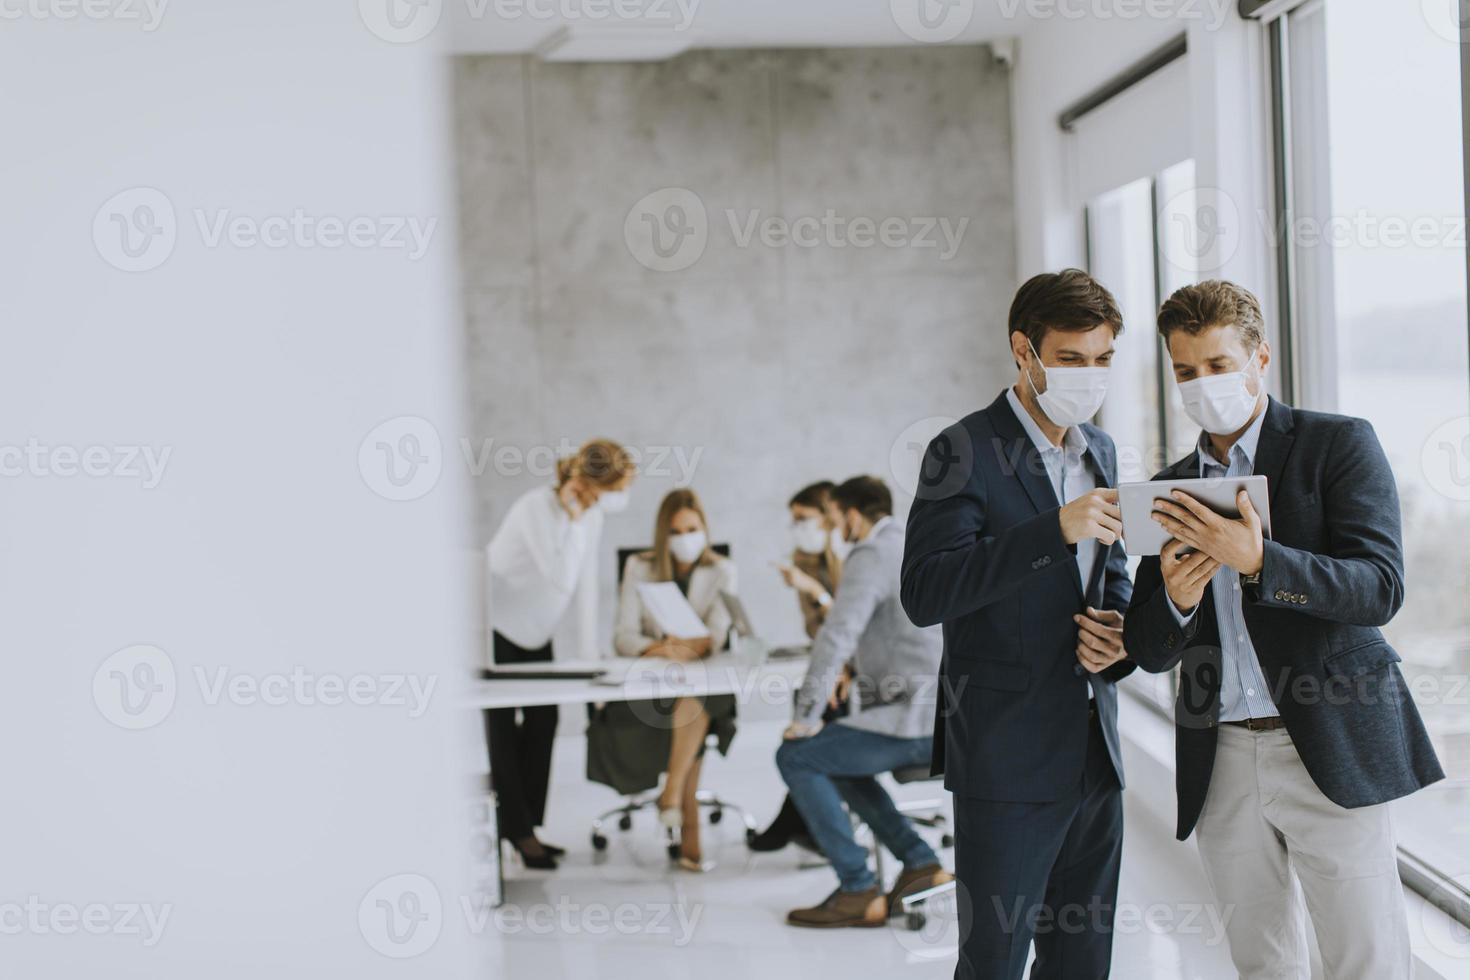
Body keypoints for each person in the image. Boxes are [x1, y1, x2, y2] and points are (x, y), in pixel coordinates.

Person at [1122, 280, 1444, 980]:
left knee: (1366, 961)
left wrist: (1261, 560)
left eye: (1216, 365)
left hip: (1328, 743)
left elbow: (1379, 588)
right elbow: (1147, 648)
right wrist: (1175, 600)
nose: (1201, 384)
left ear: (1259, 358)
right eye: (1185, 372)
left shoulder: (1337, 444)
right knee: (1260, 963)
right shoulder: (1168, 489)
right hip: (1223, 758)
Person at [900, 269, 1135, 979]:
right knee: (994, 963)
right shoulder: (961, 449)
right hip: (1005, 758)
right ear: (1024, 351)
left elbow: (1111, 573)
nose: (1088, 375)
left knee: (1082, 963)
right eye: (1070, 358)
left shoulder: (1102, 450)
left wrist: (1119, 632)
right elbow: (926, 591)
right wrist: (1050, 531)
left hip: (1096, 754)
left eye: (1102, 360)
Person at [778, 476, 951, 928]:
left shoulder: (870, 554)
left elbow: (836, 635)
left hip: (917, 719)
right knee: (834, 759)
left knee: (796, 755)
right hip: (946, 713)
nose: (835, 530)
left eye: (834, 518)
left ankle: (857, 887)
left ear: (851, 515)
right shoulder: (912, 543)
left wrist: (804, 716)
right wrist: (852, 671)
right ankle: (919, 862)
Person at [484, 438, 636, 870]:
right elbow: (558, 575)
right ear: (590, 482)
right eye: (614, 487)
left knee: (544, 719)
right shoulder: (537, 507)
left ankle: (527, 827)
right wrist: (570, 520)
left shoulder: (591, 517)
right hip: (497, 628)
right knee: (502, 731)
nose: (618, 498)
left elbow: (585, 585)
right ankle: (517, 832)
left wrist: (592, 658)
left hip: (537, 632)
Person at [613, 487, 738, 872]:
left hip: (703, 682)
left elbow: (716, 634)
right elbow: (623, 637)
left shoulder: (721, 570)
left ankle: (671, 796)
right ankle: (689, 830)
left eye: (692, 529)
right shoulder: (639, 566)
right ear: (662, 534)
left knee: (697, 697)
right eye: (676, 531)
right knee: (691, 703)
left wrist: (694, 646)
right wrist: (663, 648)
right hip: (655, 683)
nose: (686, 538)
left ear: (704, 528)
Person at [750, 480, 845, 854]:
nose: (798, 528)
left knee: (821, 724)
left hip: (874, 670)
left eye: (804, 519)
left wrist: (814, 591)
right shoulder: (804, 561)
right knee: (808, 708)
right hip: (836, 665)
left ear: (828, 517)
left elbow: (857, 623)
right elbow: (818, 629)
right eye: (794, 520)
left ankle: (800, 821)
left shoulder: (855, 556)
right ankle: (805, 821)